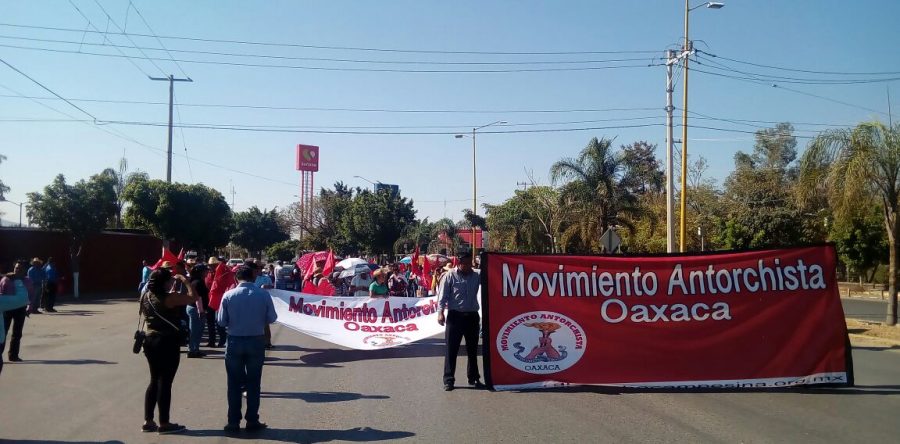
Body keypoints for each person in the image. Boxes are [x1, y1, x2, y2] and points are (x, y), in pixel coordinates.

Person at [139, 265, 202, 434]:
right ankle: (164, 423)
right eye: (169, 280)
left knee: (154, 380)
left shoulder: (146, 295)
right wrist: (185, 280)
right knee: (165, 382)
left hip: (149, 340)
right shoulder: (169, 298)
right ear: (165, 282)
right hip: (166, 341)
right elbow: (193, 297)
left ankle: (148, 420)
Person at [217, 265, 277, 433]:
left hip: (234, 341)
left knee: (234, 384)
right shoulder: (263, 295)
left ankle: (233, 421)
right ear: (253, 278)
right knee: (253, 383)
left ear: (236, 278)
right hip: (256, 341)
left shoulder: (228, 295)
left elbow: (221, 321)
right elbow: (272, 318)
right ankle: (252, 420)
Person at [437, 251, 484, 391]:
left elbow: (493, 275)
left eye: (471, 263)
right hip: (455, 317)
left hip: (472, 317)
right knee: (451, 349)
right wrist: (440, 313)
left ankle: (474, 378)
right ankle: (449, 380)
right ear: (459, 263)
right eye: (466, 264)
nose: (470, 266)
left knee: (472, 350)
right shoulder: (450, 275)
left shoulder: (477, 275)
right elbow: (442, 296)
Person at [1, 260, 32, 368]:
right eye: (16, 267)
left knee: (17, 333)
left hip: (20, 309)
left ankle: (13, 355)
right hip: (7, 309)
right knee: (2, 333)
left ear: (24, 270)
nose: (17, 269)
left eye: (19, 268)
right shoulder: (6, 279)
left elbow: (29, 295)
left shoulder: (27, 281)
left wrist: (29, 307)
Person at [186, 265, 208, 358]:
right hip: (196, 309)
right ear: (200, 272)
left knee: (197, 331)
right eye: (205, 271)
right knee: (195, 331)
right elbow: (198, 297)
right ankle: (192, 350)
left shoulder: (195, 280)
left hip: (195, 308)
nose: (206, 272)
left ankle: (196, 349)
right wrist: (201, 311)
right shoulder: (198, 282)